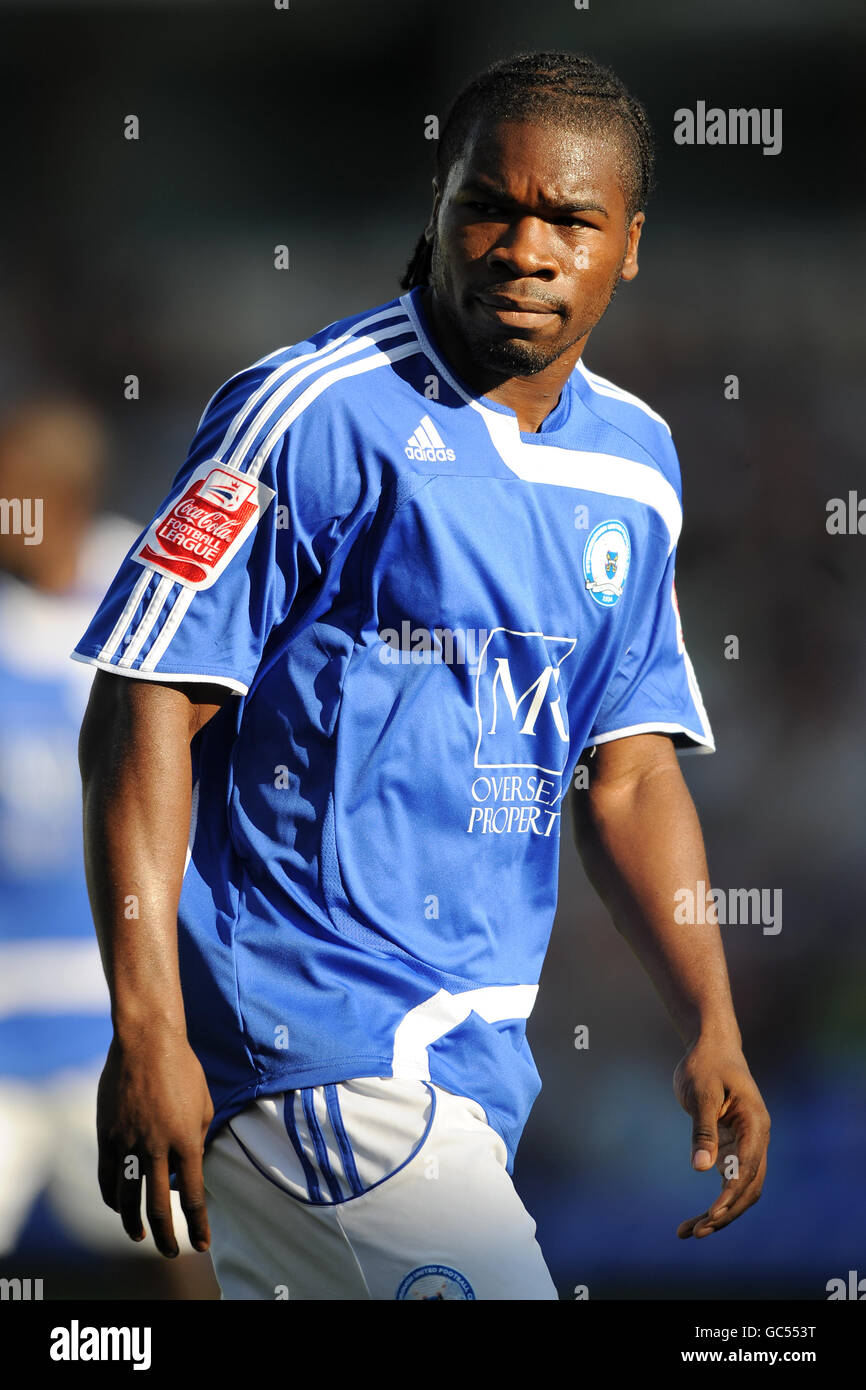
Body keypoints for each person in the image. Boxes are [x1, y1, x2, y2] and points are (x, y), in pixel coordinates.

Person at [74, 51, 770, 1301]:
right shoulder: (308, 415)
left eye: (567, 218)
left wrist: (708, 1020)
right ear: (436, 210)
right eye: (485, 207)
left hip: (475, 1064)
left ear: (627, 244)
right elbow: (143, 700)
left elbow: (626, 770)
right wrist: (147, 1029)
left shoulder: (635, 465)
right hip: (315, 1047)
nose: (521, 246)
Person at [0, 398, 212, 1295]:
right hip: (7, 1010)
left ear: (54, 498)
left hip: (118, 1007)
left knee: (190, 1237)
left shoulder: (154, 596)